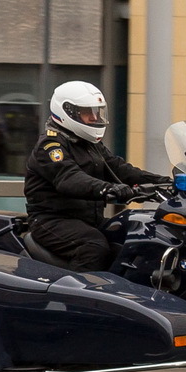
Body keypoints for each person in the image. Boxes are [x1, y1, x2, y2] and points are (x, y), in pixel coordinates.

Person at [23, 80, 161, 270]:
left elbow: (118, 168)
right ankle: (76, 298)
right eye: (88, 113)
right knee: (93, 247)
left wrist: (162, 181)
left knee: (135, 235)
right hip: (52, 221)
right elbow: (70, 179)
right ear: (67, 112)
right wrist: (109, 189)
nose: (94, 118)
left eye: (97, 112)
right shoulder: (51, 146)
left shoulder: (89, 144)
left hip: (87, 220)